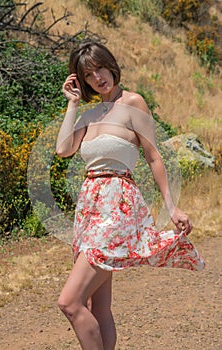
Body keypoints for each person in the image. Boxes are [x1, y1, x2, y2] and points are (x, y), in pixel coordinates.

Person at [56, 41, 204, 350]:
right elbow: (63, 150)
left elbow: (153, 156)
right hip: (89, 210)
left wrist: (171, 206)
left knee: (69, 302)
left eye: (100, 68)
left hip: (117, 207)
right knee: (99, 307)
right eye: (88, 74)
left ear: (110, 65)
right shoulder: (90, 115)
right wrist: (72, 104)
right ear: (82, 82)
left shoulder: (133, 102)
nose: (98, 77)